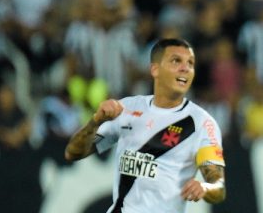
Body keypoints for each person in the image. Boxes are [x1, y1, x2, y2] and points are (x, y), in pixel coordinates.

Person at [64, 38, 226, 212]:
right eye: (176, 61)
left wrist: (205, 187)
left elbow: (218, 186)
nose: (185, 68)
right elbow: (73, 153)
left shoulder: (202, 123)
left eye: (190, 63)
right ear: (155, 69)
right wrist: (96, 121)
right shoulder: (126, 108)